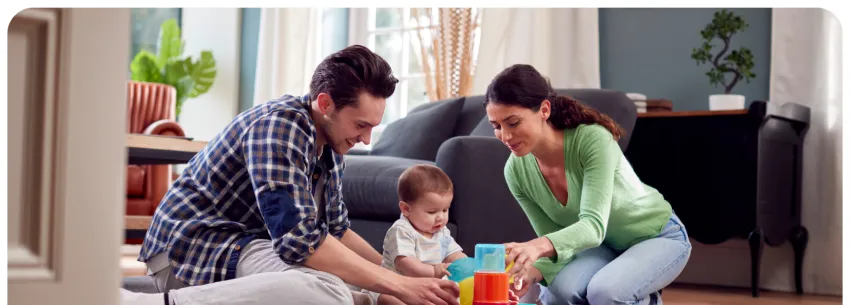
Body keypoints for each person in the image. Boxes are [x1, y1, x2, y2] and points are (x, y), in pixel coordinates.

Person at [120, 45, 460, 305]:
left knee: (351, 284)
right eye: (360, 125)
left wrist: (397, 276)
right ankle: (152, 302)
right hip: (194, 250)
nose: (366, 140)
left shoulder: (330, 145)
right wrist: (400, 284)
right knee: (330, 289)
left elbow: (337, 233)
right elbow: (301, 243)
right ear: (325, 104)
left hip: (246, 246)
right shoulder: (279, 127)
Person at [483, 64, 692, 305]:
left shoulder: (592, 139)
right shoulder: (516, 171)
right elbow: (555, 240)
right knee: (557, 293)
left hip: (656, 236)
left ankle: (644, 299)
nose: (505, 136)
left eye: (513, 123)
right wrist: (532, 272)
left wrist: (534, 247)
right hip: (601, 247)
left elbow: (593, 226)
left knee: (605, 293)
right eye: (497, 126)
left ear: (544, 109)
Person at [373, 164, 468, 305]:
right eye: (432, 212)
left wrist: (467, 264)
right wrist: (434, 271)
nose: (440, 217)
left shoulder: (441, 231)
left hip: (427, 288)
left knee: (454, 293)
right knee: (389, 300)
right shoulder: (401, 230)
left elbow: (453, 254)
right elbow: (407, 265)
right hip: (396, 287)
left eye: (445, 210)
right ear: (406, 209)